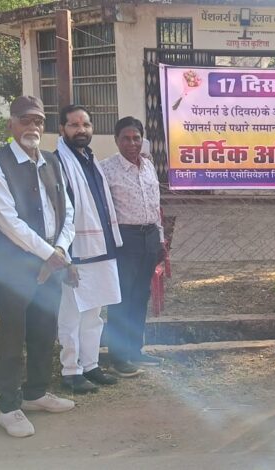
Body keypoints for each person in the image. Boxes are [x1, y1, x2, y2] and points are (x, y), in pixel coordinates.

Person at [0, 96, 76, 438]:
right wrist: (50, 254)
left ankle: (35, 392)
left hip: (52, 260)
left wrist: (60, 249)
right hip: (15, 265)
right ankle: (9, 406)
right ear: (11, 123)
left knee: (44, 328)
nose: (32, 126)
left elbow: (68, 212)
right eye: (25, 120)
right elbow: (6, 219)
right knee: (13, 333)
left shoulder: (51, 160)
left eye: (38, 120)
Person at [55, 104, 122, 393]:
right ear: (62, 129)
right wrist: (64, 254)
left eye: (85, 125)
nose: (81, 130)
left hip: (100, 245)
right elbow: (59, 211)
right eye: (74, 125)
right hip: (75, 249)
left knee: (94, 312)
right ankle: (71, 370)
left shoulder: (90, 159)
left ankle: (91, 365)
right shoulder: (58, 162)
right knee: (71, 313)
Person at [100, 117, 166, 377]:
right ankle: (118, 359)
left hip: (149, 237)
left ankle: (135, 350)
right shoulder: (106, 169)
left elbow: (155, 205)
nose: (132, 143)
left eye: (136, 138)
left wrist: (160, 239)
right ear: (116, 140)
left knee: (140, 296)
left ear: (142, 139)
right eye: (126, 138)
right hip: (124, 240)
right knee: (121, 298)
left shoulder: (148, 166)